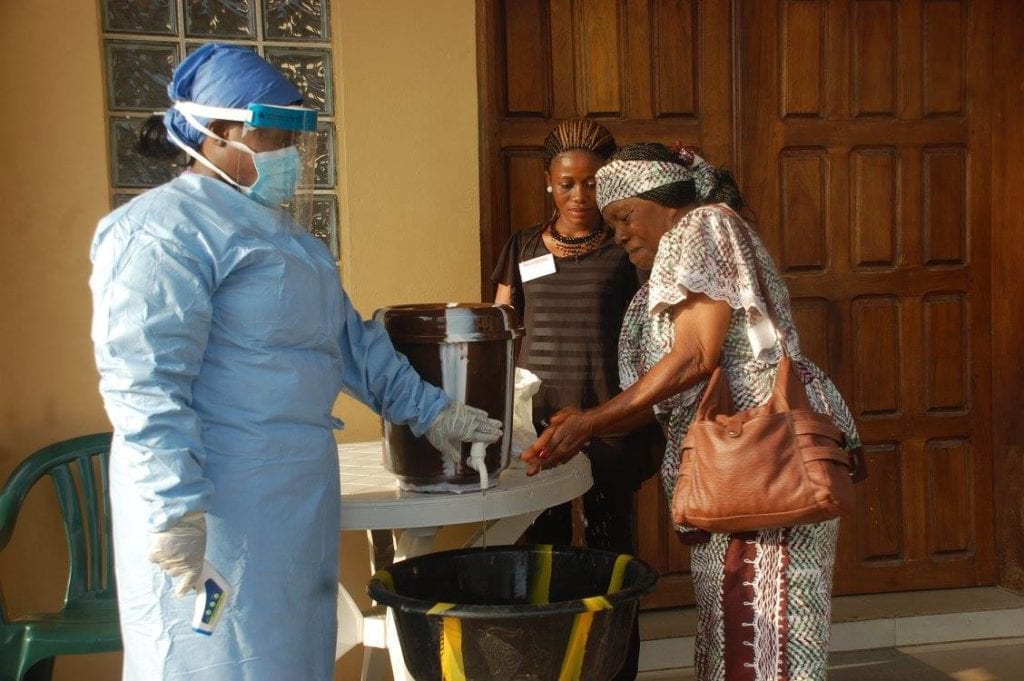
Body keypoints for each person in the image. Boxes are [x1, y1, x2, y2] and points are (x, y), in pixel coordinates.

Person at [89, 43, 501, 681]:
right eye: (275, 136)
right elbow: (145, 383)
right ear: (221, 131)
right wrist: (173, 509)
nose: (287, 156)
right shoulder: (161, 233)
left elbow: (347, 345)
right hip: (214, 504)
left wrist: (432, 411)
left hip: (295, 499)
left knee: (291, 658)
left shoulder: (290, 242)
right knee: (216, 658)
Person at [521, 142, 862, 680]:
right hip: (731, 477)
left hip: (759, 462)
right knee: (739, 630)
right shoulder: (667, 272)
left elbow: (696, 356)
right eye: (612, 225)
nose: (620, 233)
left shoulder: (699, 227)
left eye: (626, 216)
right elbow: (668, 394)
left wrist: (593, 419)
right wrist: (579, 429)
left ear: (666, 201)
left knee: (765, 632)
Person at [492, 119, 655, 680]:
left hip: (608, 424)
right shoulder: (521, 246)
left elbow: (652, 332)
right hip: (538, 432)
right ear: (549, 183)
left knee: (613, 563)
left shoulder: (627, 249)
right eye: (568, 184)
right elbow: (500, 326)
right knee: (545, 561)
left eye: (592, 184)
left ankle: (616, 671)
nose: (580, 196)